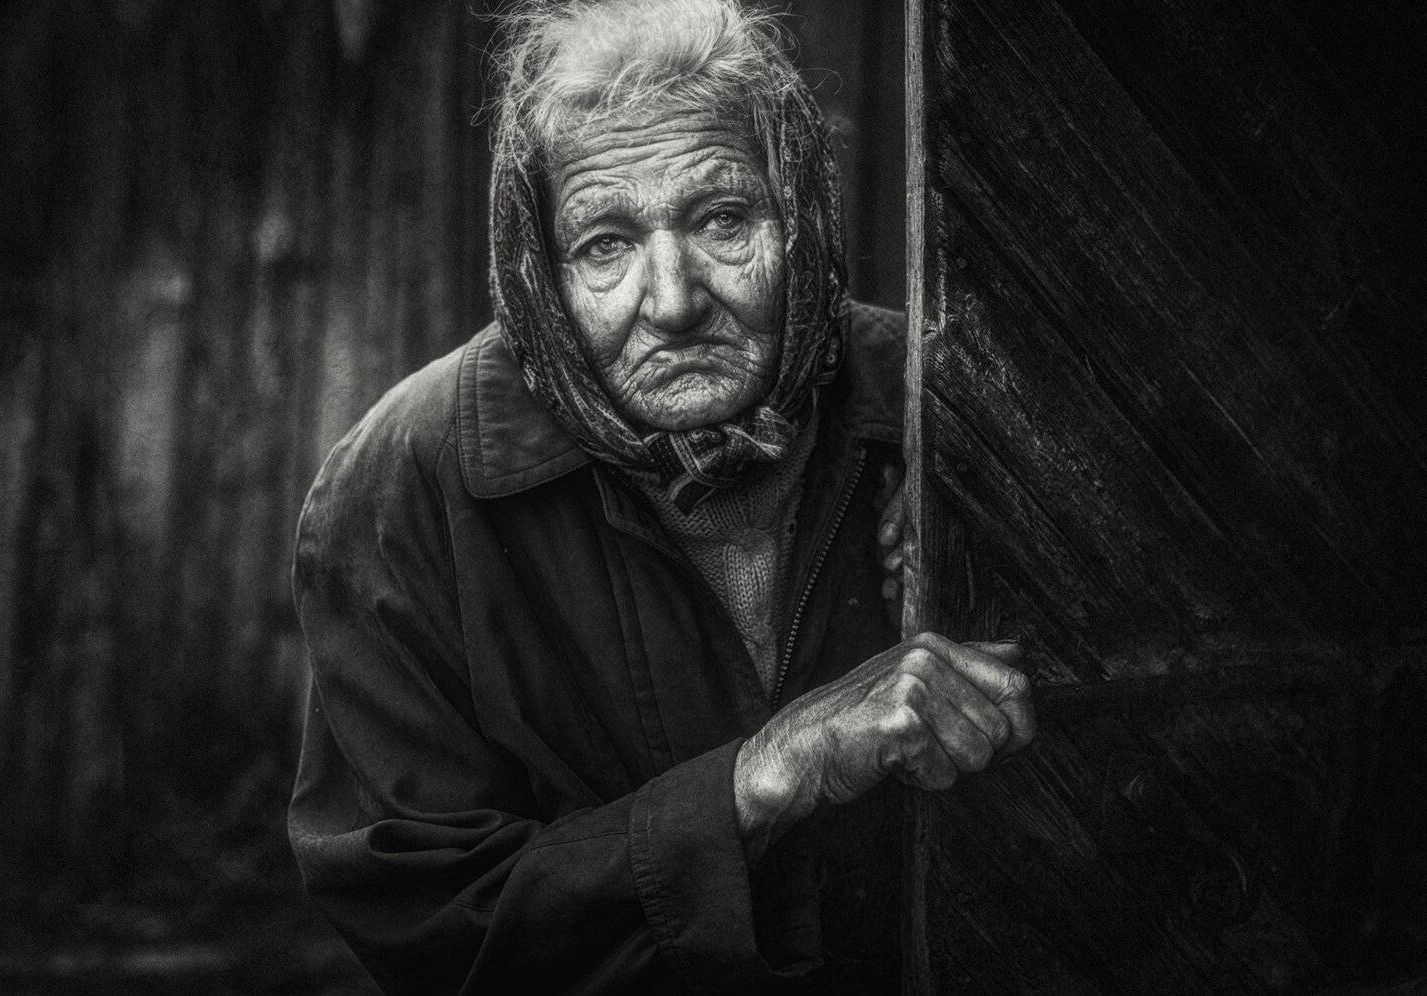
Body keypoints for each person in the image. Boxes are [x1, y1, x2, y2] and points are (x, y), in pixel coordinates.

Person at [287, 1, 1035, 991]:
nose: (675, 300)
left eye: (723, 219)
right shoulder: (402, 485)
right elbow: (434, 924)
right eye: (605, 244)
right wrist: (752, 784)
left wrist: (983, 560)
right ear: (541, 270)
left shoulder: (938, 408)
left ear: (801, 214)